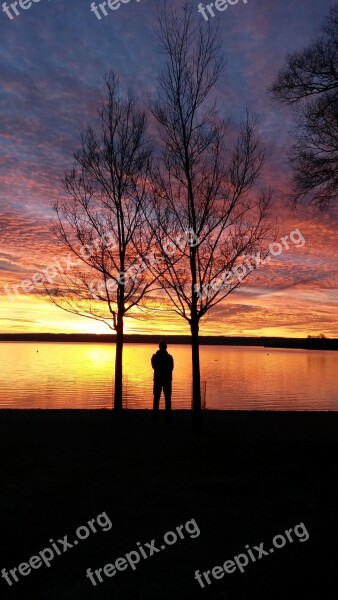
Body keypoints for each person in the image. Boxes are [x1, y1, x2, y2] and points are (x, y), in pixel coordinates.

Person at [151, 340, 174, 423]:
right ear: (166, 347)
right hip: (167, 380)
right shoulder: (169, 357)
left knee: (156, 399)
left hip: (158, 380)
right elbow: (171, 368)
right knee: (167, 399)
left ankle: (155, 418)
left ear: (159, 347)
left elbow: (154, 366)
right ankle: (168, 418)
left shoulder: (154, 357)